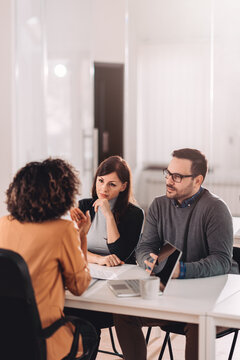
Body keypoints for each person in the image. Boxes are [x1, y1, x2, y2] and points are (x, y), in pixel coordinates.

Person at [113, 148, 239, 360]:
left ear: (197, 180)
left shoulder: (216, 209)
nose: (169, 180)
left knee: (198, 322)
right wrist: (147, 261)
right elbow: (145, 246)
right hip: (170, 295)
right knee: (124, 313)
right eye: (168, 173)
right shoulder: (158, 205)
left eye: (177, 176)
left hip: (209, 301)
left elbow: (221, 261)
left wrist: (181, 270)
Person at [0, 158, 96, 360]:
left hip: (6, 337)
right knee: (90, 332)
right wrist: (82, 236)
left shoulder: (2, 225)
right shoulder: (63, 230)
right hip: (42, 339)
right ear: (64, 195)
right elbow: (79, 286)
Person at [66, 155, 144, 359]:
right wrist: (99, 259)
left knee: (86, 319)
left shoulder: (135, 214)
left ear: (123, 186)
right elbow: (74, 249)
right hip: (91, 277)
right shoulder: (83, 205)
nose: (104, 189)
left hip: (117, 288)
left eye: (112, 184)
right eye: (101, 181)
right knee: (70, 310)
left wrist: (108, 215)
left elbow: (119, 254)